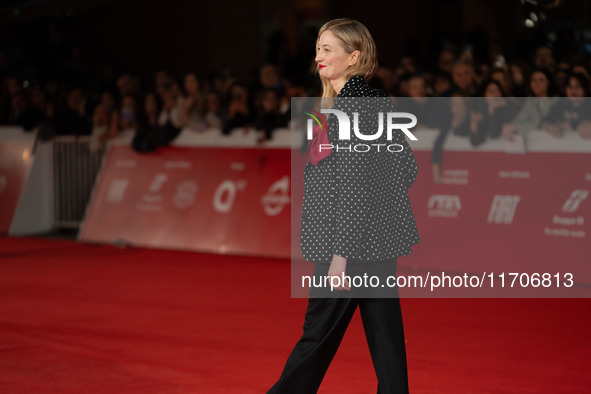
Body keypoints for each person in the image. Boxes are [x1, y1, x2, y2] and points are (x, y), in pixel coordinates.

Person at [267, 18, 420, 394]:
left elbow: (355, 186)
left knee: (316, 338)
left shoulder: (350, 107)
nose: (318, 56)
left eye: (328, 49)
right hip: (377, 242)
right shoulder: (368, 101)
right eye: (318, 48)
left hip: (348, 246)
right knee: (386, 342)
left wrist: (341, 255)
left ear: (354, 57)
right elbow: (407, 169)